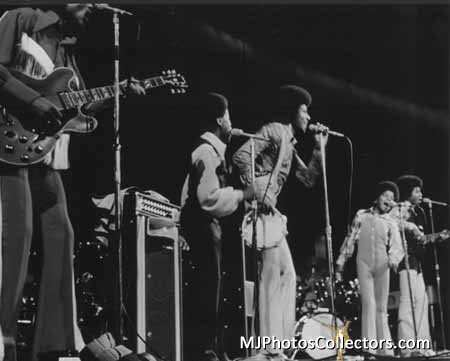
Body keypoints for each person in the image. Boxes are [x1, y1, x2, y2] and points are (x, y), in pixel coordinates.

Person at [0, 5, 145, 361]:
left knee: (61, 236)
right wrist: (32, 100)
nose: (90, 6)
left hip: (44, 156)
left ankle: (53, 345)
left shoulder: (66, 47)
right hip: (8, 144)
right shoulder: (21, 19)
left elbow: (72, 104)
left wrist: (118, 91)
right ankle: (4, 341)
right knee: (15, 239)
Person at [232, 85, 327, 357]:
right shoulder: (273, 129)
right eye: (304, 111)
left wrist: (320, 150)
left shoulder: (289, 139)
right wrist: (258, 189)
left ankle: (280, 344)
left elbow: (307, 178)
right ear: (292, 110)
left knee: (288, 275)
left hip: (271, 214)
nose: (308, 117)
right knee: (271, 277)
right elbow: (241, 156)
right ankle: (267, 348)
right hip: (260, 210)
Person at [180, 92, 254, 361]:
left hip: (207, 228)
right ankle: (203, 351)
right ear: (220, 119)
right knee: (206, 290)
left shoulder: (210, 151)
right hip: (201, 228)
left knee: (212, 289)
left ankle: (211, 348)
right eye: (229, 116)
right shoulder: (206, 152)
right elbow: (208, 199)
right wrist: (242, 194)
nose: (231, 122)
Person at [336, 181, 404, 356]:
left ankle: (385, 350)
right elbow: (350, 240)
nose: (389, 200)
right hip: (364, 264)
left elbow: (397, 246)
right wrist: (341, 262)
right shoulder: (362, 216)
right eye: (386, 196)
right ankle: (369, 350)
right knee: (368, 304)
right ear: (377, 197)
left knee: (381, 307)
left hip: (382, 266)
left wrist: (394, 259)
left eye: (392, 198)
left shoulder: (391, 222)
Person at [393, 175, 435, 357]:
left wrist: (437, 237)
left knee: (422, 304)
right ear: (408, 192)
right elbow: (393, 221)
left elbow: (420, 239)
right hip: (405, 262)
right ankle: (408, 348)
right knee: (408, 305)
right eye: (416, 190)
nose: (420, 194)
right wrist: (411, 227)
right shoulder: (400, 208)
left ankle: (423, 346)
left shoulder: (417, 212)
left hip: (417, 264)